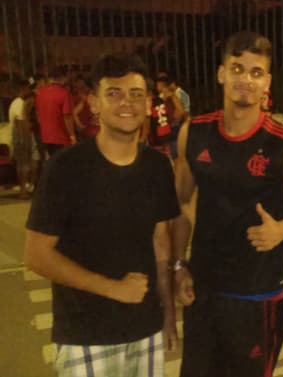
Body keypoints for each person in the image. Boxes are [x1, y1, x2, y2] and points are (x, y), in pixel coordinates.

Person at [173, 31, 283, 377]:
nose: (246, 80)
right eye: (238, 69)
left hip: (258, 290)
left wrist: (282, 229)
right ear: (221, 73)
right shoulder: (193, 133)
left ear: (267, 82)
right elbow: (179, 202)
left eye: (256, 73)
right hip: (205, 286)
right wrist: (179, 265)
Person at [24, 52, 180, 377]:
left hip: (145, 329)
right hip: (85, 336)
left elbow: (160, 244)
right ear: (94, 103)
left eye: (136, 94)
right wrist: (113, 288)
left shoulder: (157, 167)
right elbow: (37, 255)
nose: (127, 102)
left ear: (149, 102)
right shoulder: (65, 169)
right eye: (114, 93)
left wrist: (167, 315)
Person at [35, 67, 76, 157]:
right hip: (61, 137)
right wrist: (72, 135)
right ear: (63, 78)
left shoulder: (40, 93)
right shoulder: (64, 93)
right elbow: (67, 117)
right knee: (63, 164)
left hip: (46, 137)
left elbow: (38, 115)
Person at [8, 80, 36, 198]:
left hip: (19, 136)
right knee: (23, 164)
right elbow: (20, 122)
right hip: (21, 137)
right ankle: (23, 191)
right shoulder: (19, 103)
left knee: (23, 164)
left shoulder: (15, 103)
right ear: (23, 89)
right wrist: (26, 137)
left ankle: (24, 189)